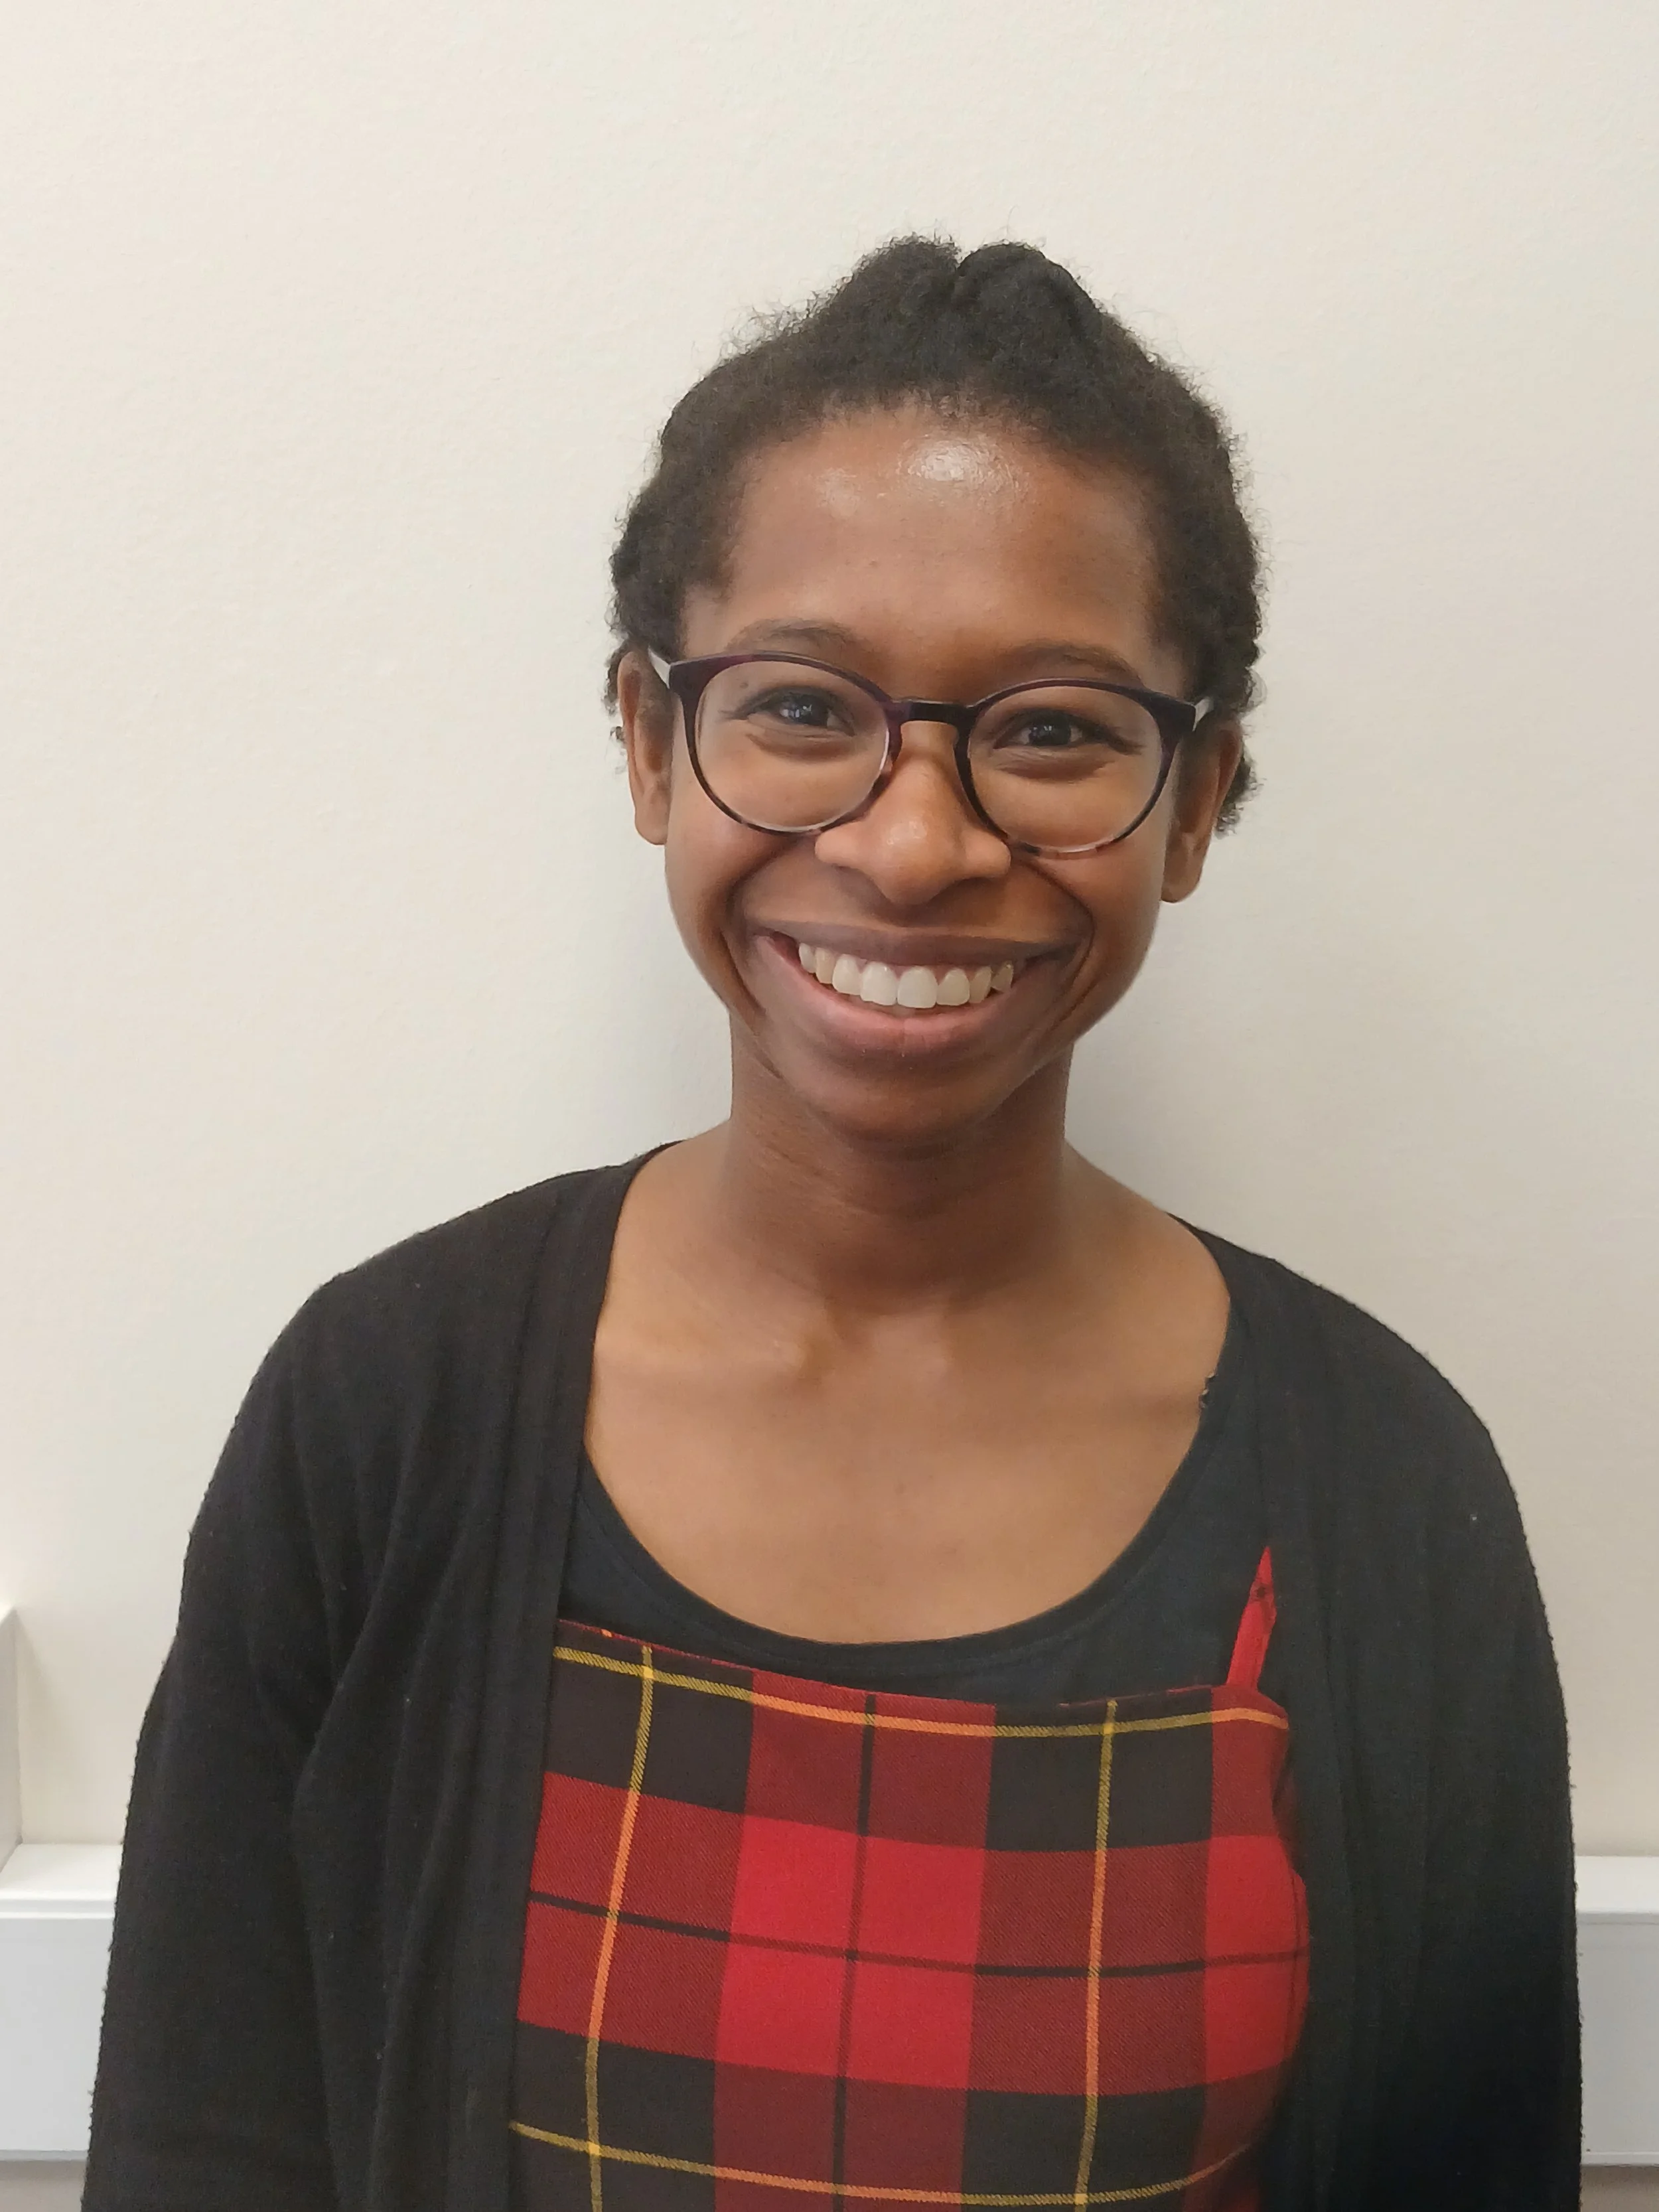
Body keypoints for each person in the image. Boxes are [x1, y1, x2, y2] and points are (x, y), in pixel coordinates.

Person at [82, 238, 1579, 2211]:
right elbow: (206, 2158)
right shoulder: (385, 1407)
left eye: (1051, 730)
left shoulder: (1384, 1488)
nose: (909, 839)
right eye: (798, 705)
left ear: (1195, 798)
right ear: (645, 737)